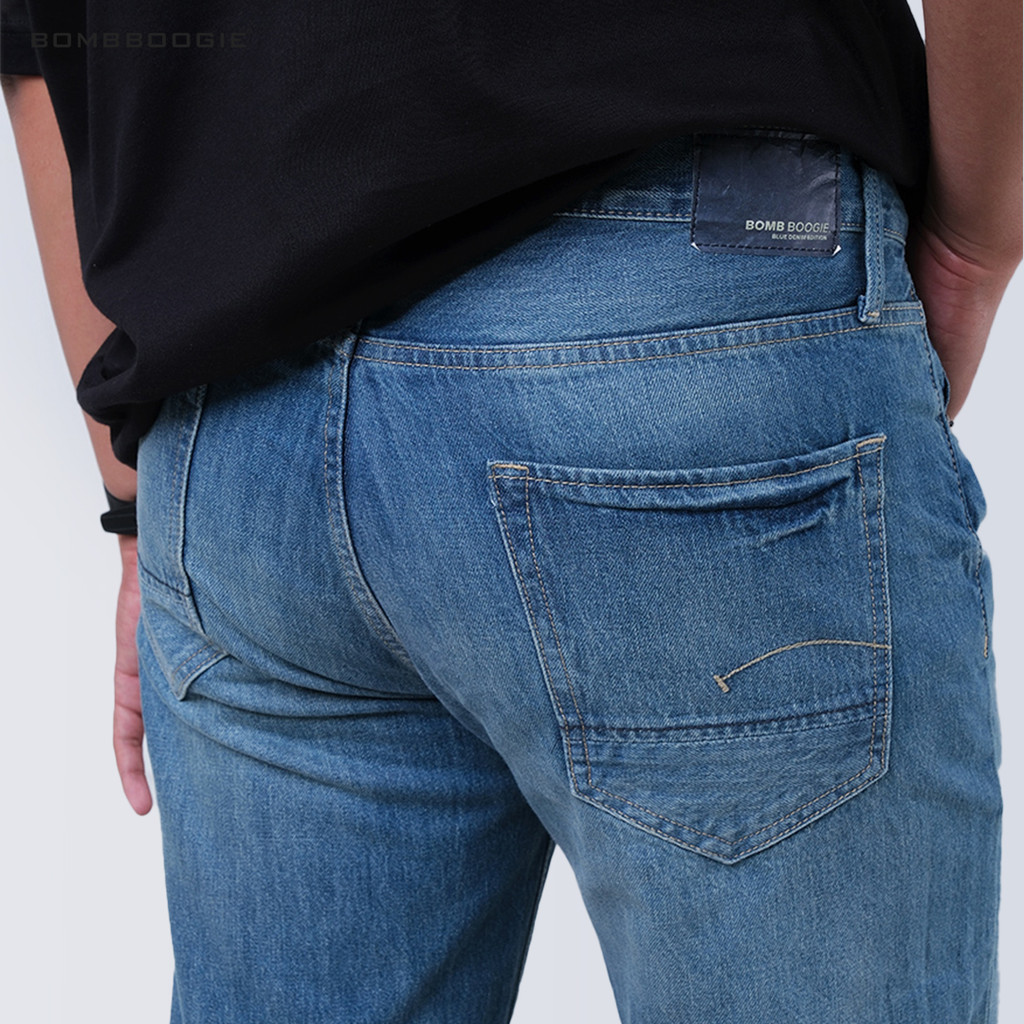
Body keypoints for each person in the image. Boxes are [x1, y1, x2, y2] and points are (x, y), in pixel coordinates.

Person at [1, 1, 1019, 1021]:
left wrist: (131, 500)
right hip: (671, 302)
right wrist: (976, 239)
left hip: (235, 430)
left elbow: (33, 36)